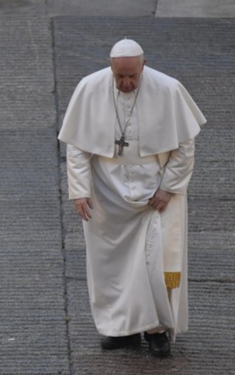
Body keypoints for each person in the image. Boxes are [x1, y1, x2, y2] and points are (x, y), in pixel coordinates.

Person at [58, 39, 206, 357]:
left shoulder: (168, 90)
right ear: (111, 68)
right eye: (119, 77)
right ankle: (120, 328)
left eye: (132, 77)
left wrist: (169, 187)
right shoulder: (89, 88)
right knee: (111, 267)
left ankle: (155, 331)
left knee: (154, 264)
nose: (126, 83)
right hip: (107, 195)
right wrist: (80, 190)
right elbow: (78, 147)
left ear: (144, 65)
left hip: (156, 196)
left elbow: (184, 145)